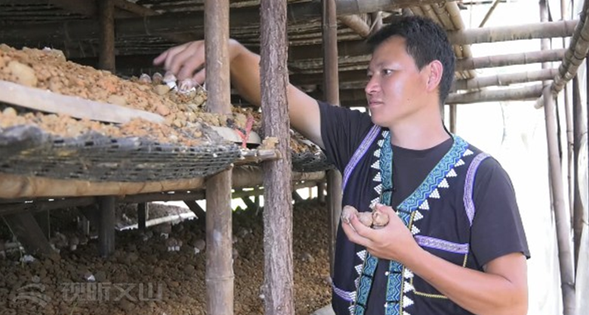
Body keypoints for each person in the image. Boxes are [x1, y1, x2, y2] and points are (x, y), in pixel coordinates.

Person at [154, 16, 530, 315]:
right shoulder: (359, 141)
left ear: (430, 75)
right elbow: (283, 96)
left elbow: (513, 303)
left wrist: (409, 253)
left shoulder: (481, 178)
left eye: (387, 72)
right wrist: (233, 53)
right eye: (370, 75)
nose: (370, 85)